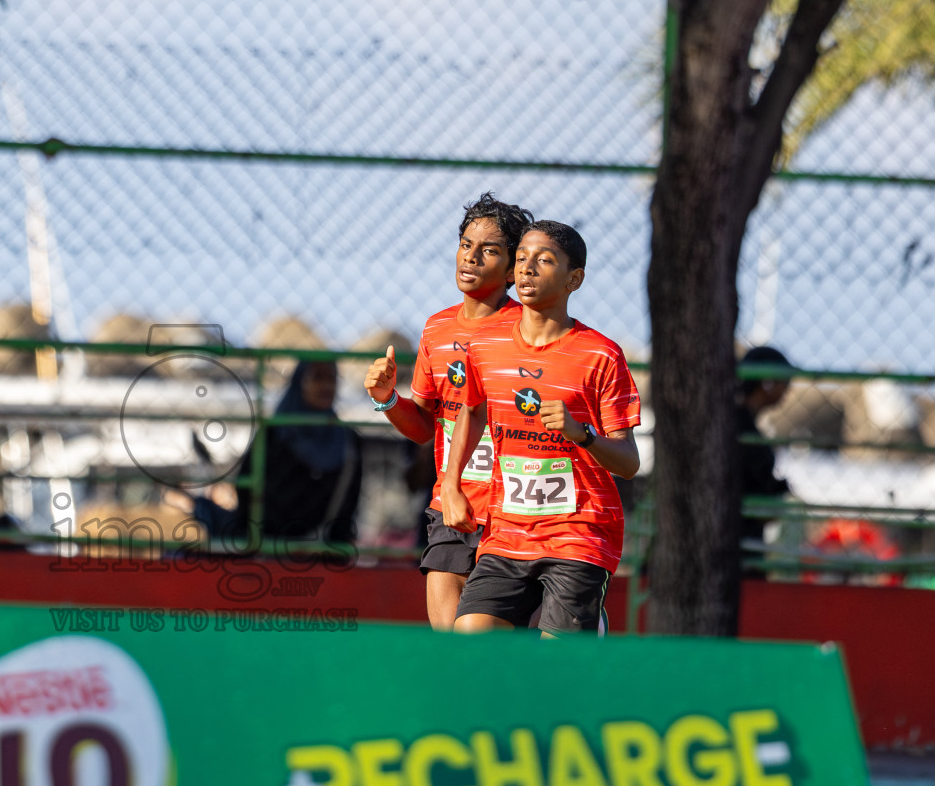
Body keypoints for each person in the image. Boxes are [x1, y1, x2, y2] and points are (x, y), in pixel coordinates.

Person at [440, 221, 641, 635]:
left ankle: (587, 629)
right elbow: (472, 411)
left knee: (559, 664)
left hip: (579, 534)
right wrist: (450, 484)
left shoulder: (601, 356)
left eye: (545, 260)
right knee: (471, 639)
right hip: (506, 533)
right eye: (522, 259)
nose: (528, 268)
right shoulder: (486, 347)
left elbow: (629, 462)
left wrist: (581, 434)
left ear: (574, 279)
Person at [363, 193, 535, 629]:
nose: (471, 257)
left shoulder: (528, 330)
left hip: (513, 511)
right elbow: (423, 426)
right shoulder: (437, 328)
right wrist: (387, 398)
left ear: (515, 268)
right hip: (450, 508)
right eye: (465, 244)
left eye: (489, 250)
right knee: (452, 648)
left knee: (498, 648)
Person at [193, 358, 362, 546]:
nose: (326, 386)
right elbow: (247, 489)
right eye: (317, 377)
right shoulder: (273, 433)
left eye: (332, 379)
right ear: (299, 382)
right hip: (266, 544)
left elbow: (350, 500)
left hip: (320, 549)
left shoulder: (348, 441)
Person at [736, 345, 793, 576]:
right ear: (767, 382)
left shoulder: (735, 424)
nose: (787, 390)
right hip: (741, 541)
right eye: (784, 382)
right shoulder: (743, 429)